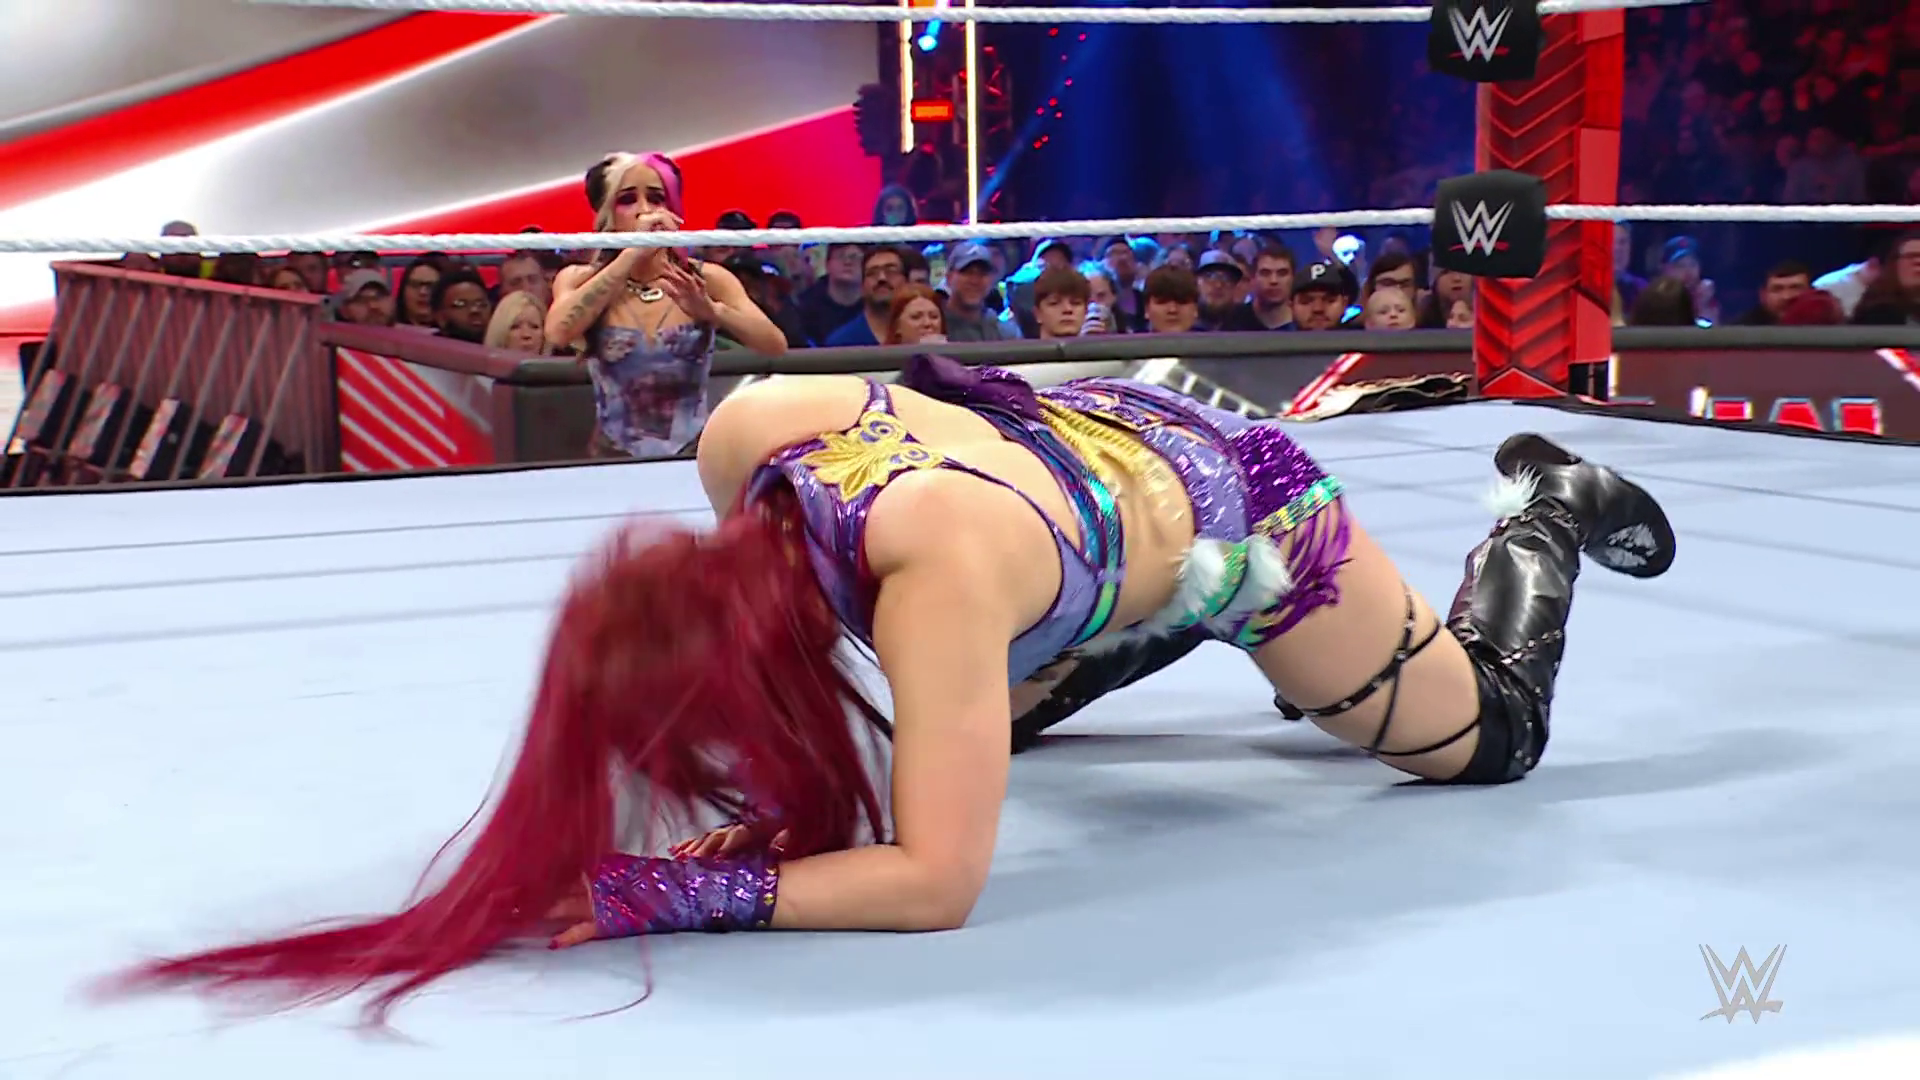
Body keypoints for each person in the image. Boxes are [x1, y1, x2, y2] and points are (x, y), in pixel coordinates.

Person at [114, 356, 1674, 1022]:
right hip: (1080, 457)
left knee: (1486, 742)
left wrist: (677, 892)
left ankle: (1545, 503)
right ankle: (1153, 602)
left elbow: (935, 885)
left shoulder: (932, 586)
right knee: (977, 717)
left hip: (1237, 502)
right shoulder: (747, 436)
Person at [542, 151, 786, 459]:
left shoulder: (705, 278)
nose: (645, 211)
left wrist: (714, 312)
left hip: (693, 456)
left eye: (656, 199)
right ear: (607, 215)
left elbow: (775, 345)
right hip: (611, 458)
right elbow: (558, 333)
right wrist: (633, 253)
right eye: (627, 200)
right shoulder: (580, 279)